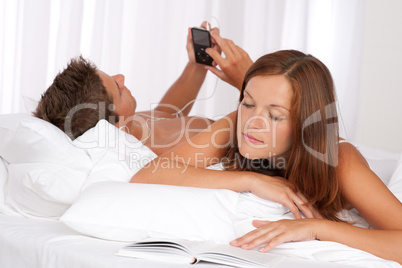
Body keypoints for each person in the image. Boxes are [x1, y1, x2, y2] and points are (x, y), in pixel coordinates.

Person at [131, 30, 402, 264]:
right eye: (248, 103)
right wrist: (251, 180)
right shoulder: (236, 122)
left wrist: (316, 228)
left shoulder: (341, 160)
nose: (253, 123)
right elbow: (149, 174)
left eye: (275, 116)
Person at [34, 22, 245, 156]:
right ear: (115, 126)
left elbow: (168, 113)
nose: (121, 77)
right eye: (118, 88)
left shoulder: (132, 124)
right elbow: (251, 128)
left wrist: (197, 65)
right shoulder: (171, 150)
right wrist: (246, 80)